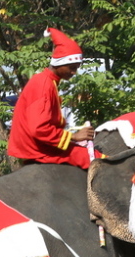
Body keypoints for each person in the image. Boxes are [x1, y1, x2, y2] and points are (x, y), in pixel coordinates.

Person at [6, 27, 94, 169]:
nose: (73, 72)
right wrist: (74, 137)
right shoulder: (44, 85)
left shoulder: (48, 81)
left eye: (76, 68)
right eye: (71, 67)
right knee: (96, 159)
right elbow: (39, 128)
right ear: (59, 63)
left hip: (41, 144)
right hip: (37, 148)